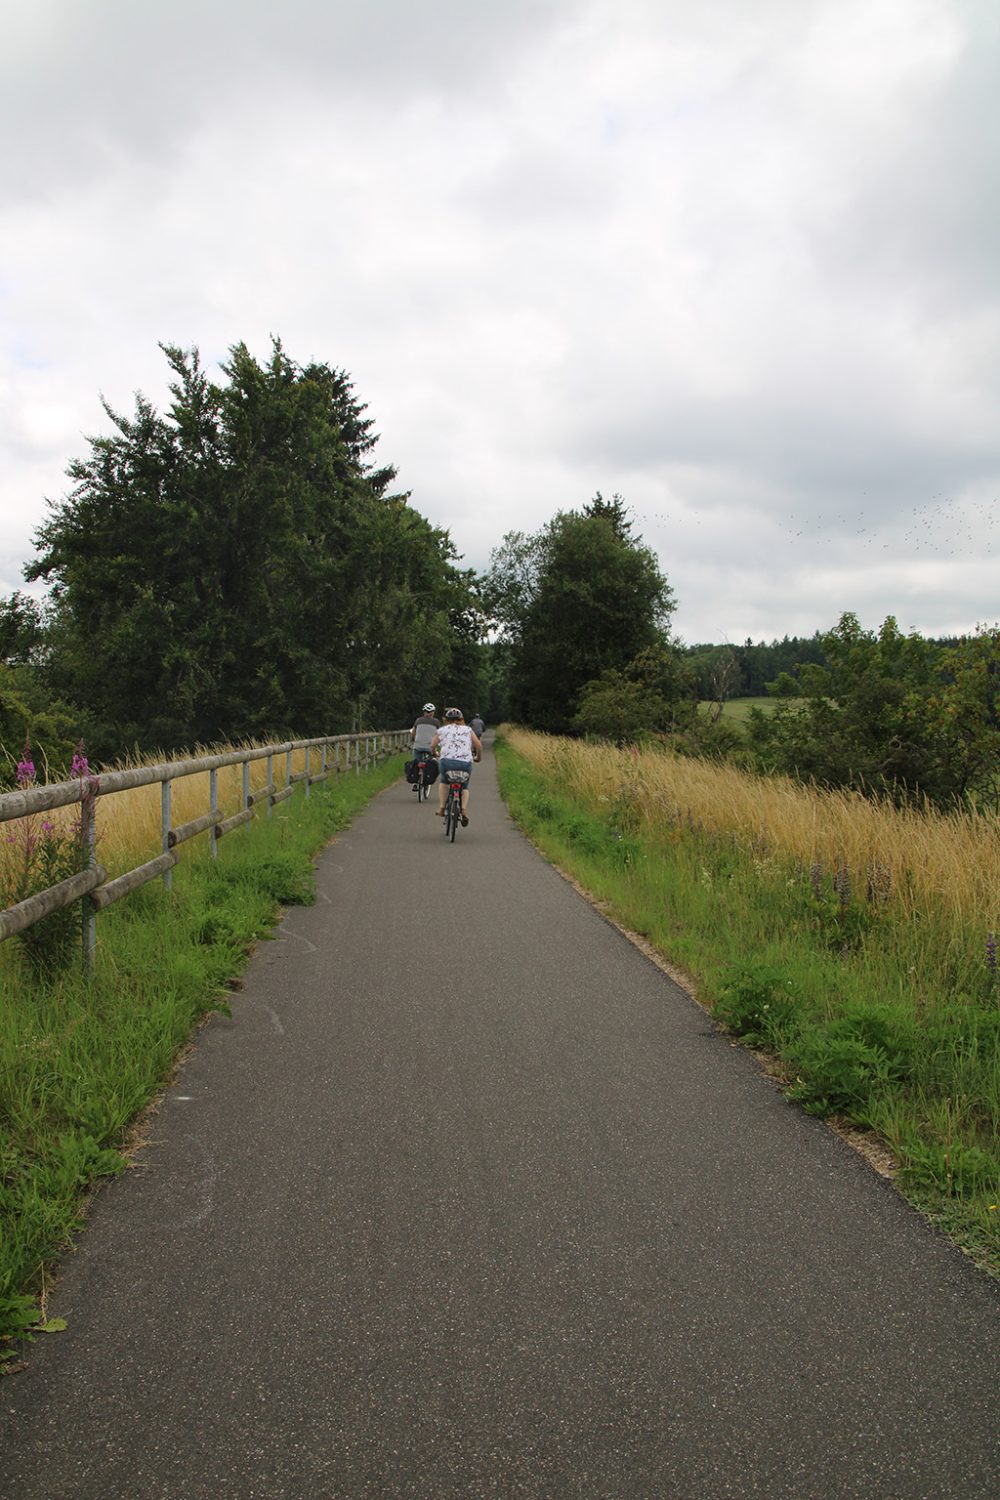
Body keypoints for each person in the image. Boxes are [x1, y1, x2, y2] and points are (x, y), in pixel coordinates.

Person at [432, 708, 482, 826]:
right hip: (465, 763)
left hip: (446, 762)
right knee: (464, 786)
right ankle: (463, 810)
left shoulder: (442, 730)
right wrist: (478, 758)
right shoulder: (468, 730)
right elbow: (479, 746)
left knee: (444, 782)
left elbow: (432, 745)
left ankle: (442, 809)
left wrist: (435, 754)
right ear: (461, 719)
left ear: (446, 720)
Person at [409, 703, 439, 792]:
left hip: (418, 746)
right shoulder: (436, 722)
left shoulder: (418, 720)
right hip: (430, 747)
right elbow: (438, 734)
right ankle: (427, 778)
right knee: (430, 762)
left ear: (424, 712)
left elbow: (413, 732)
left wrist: (413, 740)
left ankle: (415, 782)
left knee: (415, 762)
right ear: (433, 712)